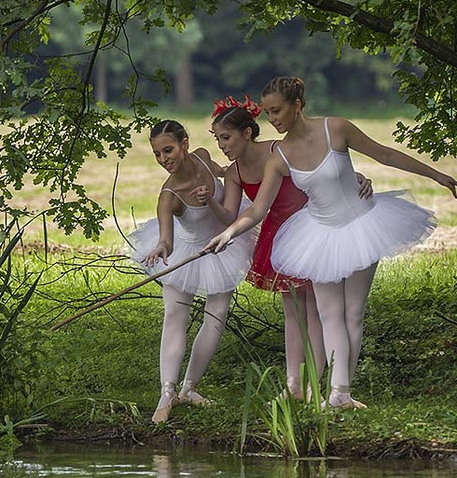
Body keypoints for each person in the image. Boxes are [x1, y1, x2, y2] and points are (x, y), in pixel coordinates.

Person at [207, 76, 457, 409]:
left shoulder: (335, 128)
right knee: (329, 315)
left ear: (298, 105)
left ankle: (341, 393)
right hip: (318, 234)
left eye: (277, 111)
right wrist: (228, 233)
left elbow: (386, 155)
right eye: (267, 113)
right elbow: (257, 209)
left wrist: (439, 176)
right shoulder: (279, 155)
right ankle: (337, 394)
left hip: (360, 226)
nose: (273, 119)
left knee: (352, 313)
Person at [211, 97, 372, 401]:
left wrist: (356, 178)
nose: (222, 145)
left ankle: (317, 381)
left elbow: (321, 166)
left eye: (226, 137)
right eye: (217, 138)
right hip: (280, 238)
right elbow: (237, 213)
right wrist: (212, 206)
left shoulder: (278, 150)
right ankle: (293, 384)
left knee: (318, 311)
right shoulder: (234, 172)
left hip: (311, 228)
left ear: (247, 132)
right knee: (293, 312)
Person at [129, 119, 254, 423]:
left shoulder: (202, 155)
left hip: (221, 246)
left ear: (184, 144)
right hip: (186, 250)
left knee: (216, 317)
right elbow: (167, 240)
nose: (164, 159)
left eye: (168, 150)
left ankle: (190, 389)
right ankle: (167, 391)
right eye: (157, 154)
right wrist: (160, 248)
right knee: (174, 316)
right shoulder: (169, 195)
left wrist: (235, 174)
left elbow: (225, 175)